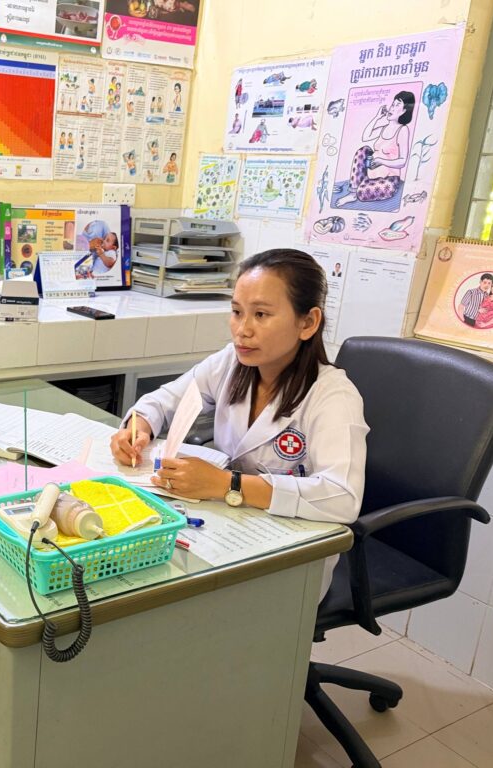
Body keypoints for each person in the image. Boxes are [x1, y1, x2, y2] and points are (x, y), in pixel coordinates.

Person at [110, 249, 368, 598]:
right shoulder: (232, 363)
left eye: (261, 314)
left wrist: (228, 484)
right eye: (236, 312)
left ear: (308, 322)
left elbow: (342, 498)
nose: (242, 330)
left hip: (292, 557)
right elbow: (165, 400)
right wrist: (138, 427)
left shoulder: (333, 396)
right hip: (228, 530)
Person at [337, 91, 415, 205]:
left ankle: (359, 191)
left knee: (363, 193)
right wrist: (377, 117)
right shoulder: (384, 128)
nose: (392, 108)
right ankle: (353, 193)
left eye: (397, 105)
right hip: (371, 174)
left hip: (389, 178)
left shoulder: (402, 130)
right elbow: (365, 137)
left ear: (404, 111)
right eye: (393, 104)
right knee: (363, 151)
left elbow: (402, 161)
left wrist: (381, 161)